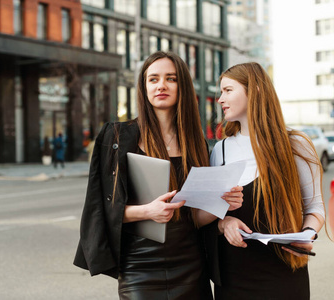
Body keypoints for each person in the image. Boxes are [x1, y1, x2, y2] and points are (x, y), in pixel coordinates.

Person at [73, 51, 243, 299]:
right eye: (153, 79)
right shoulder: (117, 137)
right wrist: (146, 211)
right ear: (144, 87)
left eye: (170, 78)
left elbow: (193, 216)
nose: (161, 85)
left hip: (191, 264)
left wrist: (222, 204)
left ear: (181, 85)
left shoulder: (196, 144)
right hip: (139, 266)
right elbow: (98, 211)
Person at [206, 62, 325, 299]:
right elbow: (208, 214)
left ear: (256, 91)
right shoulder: (220, 150)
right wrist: (224, 223)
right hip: (233, 279)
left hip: (285, 276)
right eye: (221, 92)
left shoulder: (296, 145)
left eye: (228, 90)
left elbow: (315, 207)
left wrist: (308, 234)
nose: (220, 99)